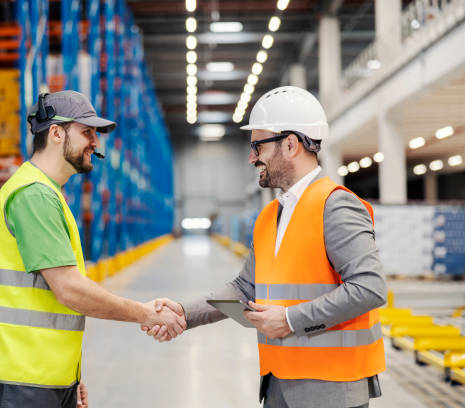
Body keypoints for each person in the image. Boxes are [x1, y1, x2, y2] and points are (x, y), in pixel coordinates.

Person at [143, 86, 387, 408]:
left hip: (331, 390)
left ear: (290, 144)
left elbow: (370, 287)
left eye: (257, 145)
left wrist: (290, 319)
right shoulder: (270, 215)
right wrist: (184, 313)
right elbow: (246, 288)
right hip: (278, 385)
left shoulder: (335, 206)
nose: (251, 157)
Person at [0, 90, 185, 408]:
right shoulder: (34, 195)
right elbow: (70, 290)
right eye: (87, 132)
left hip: (39, 379)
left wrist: (68, 380)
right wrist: (144, 313)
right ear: (56, 133)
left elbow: (45, 303)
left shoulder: (49, 193)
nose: (95, 143)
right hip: (20, 382)